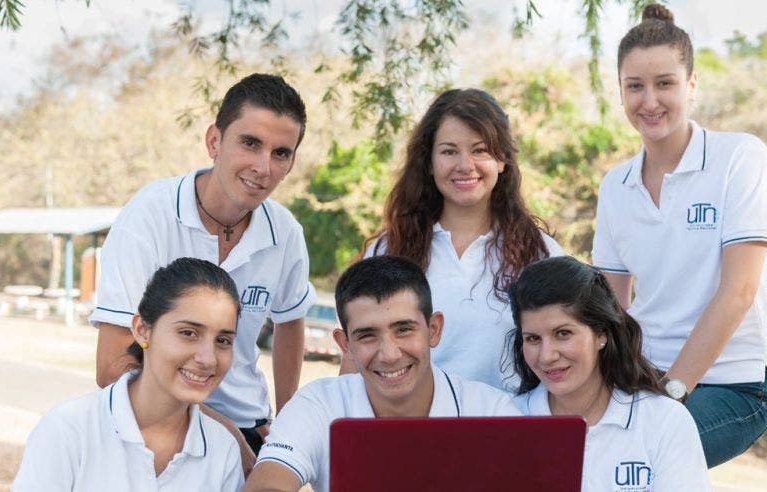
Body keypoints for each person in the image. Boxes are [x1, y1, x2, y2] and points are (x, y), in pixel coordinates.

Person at [592, 3, 767, 467]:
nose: (649, 101)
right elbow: (611, 307)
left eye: (665, 83)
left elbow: (738, 292)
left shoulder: (739, 157)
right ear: (620, 92)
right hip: (644, 379)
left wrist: (669, 395)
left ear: (691, 86)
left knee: (641, 458)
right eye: (635, 86)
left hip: (733, 385)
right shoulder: (616, 185)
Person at [90, 73, 316, 455]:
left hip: (249, 428)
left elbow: (290, 322)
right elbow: (110, 368)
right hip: (154, 428)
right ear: (214, 140)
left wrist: (287, 425)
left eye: (281, 153)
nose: (264, 167)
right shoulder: (149, 217)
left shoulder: (285, 233)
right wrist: (218, 429)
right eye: (250, 143)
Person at [244, 256, 521, 492]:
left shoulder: (493, 412)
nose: (389, 354)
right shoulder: (318, 404)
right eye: (367, 336)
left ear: (434, 330)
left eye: (403, 329)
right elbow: (268, 483)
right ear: (345, 345)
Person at [360, 88, 563, 391]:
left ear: (502, 160)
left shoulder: (541, 253)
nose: (465, 165)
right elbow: (359, 355)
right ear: (428, 162)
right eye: (449, 151)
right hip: (411, 428)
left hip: (508, 429)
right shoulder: (388, 250)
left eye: (480, 150)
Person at [13, 258, 245, 491]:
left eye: (223, 341)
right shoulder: (68, 431)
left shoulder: (223, 452)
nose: (208, 358)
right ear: (142, 330)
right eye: (188, 333)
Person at [509, 256, 710, 491]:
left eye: (563, 333)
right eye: (533, 338)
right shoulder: (506, 423)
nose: (546, 356)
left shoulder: (665, 421)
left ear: (601, 334)